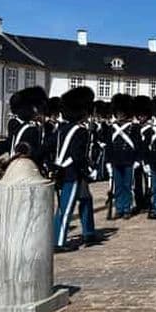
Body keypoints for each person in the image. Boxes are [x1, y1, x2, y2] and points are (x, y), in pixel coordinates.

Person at [52, 86, 98, 251]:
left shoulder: (61, 129)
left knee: (86, 200)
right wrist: (89, 170)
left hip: (63, 171)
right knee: (66, 208)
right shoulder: (81, 131)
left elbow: (50, 147)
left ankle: (89, 233)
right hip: (73, 173)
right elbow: (78, 156)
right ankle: (58, 241)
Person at [107, 93, 141, 220]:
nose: (120, 115)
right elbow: (109, 146)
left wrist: (138, 159)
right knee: (118, 186)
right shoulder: (112, 128)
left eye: (122, 112)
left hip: (129, 159)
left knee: (128, 185)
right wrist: (108, 162)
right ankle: (119, 207)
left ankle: (127, 207)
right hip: (116, 160)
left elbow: (138, 144)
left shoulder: (133, 127)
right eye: (118, 112)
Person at [133, 95, 153, 214]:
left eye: (143, 115)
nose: (141, 117)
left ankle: (149, 202)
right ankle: (139, 203)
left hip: (147, 158)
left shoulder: (150, 129)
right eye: (139, 115)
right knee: (136, 182)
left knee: (148, 181)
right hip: (136, 158)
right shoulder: (134, 128)